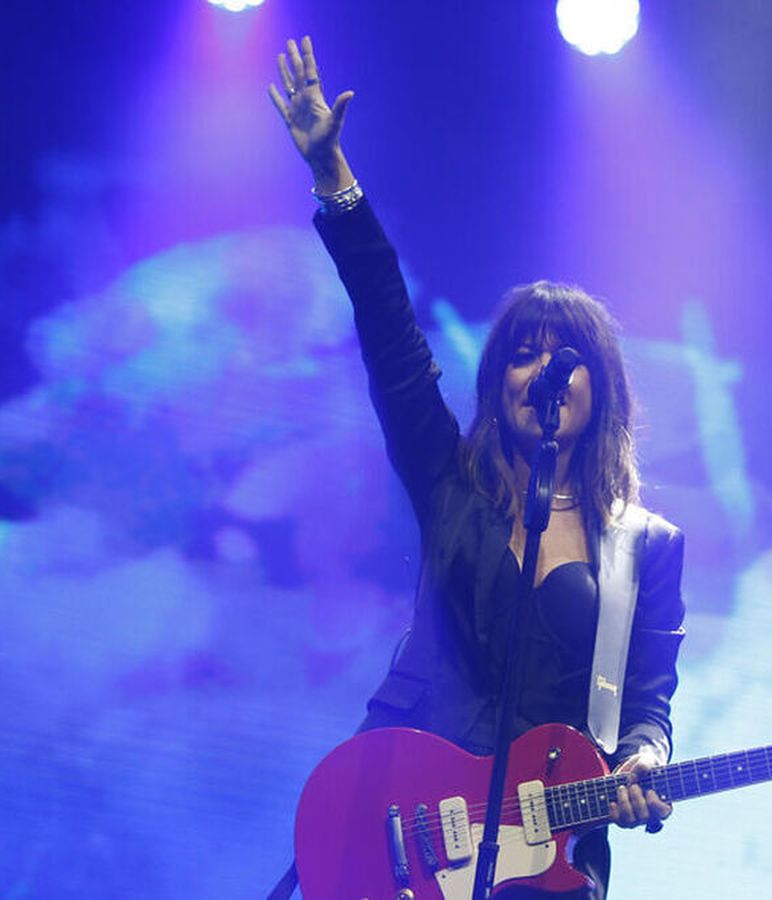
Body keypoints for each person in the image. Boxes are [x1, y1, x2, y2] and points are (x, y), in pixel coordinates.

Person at [269, 36, 684, 898]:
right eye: (524, 356)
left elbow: (647, 697)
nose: (545, 370)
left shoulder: (647, 547)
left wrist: (644, 759)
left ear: (600, 390)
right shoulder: (454, 486)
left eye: (566, 357)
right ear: (498, 385)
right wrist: (335, 182)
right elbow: (393, 344)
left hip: (549, 856)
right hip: (400, 822)